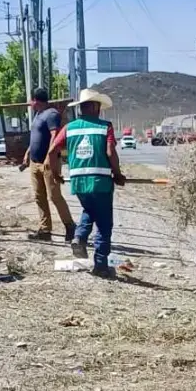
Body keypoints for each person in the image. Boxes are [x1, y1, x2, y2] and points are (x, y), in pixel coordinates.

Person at [47, 88, 126, 278]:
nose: (99, 110)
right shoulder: (105, 126)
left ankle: (80, 237)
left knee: (90, 209)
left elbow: (52, 151)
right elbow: (110, 152)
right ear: (93, 107)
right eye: (98, 106)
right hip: (100, 182)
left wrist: (56, 174)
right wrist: (117, 174)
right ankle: (101, 265)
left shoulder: (69, 128)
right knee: (104, 224)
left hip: (79, 183)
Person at [21, 87, 76, 241]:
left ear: (36, 100)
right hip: (35, 163)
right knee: (39, 196)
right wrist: (27, 153)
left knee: (54, 196)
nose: (30, 103)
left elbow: (55, 136)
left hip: (49, 163)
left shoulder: (52, 114)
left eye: (31, 100)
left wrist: (48, 157)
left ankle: (70, 226)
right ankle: (45, 230)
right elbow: (35, 137)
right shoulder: (37, 115)